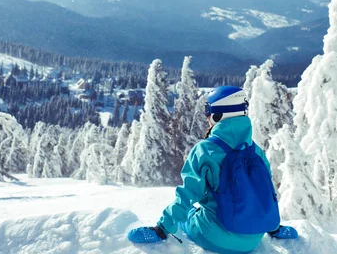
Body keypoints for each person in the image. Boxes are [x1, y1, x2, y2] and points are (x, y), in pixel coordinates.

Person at [128, 85, 298, 253]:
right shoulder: (256, 151)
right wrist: (274, 228)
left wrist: (162, 229)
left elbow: (187, 195)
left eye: (208, 111)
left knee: (188, 216)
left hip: (215, 238)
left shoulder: (205, 150)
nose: (207, 117)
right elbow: (265, 194)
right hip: (254, 239)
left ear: (218, 115)